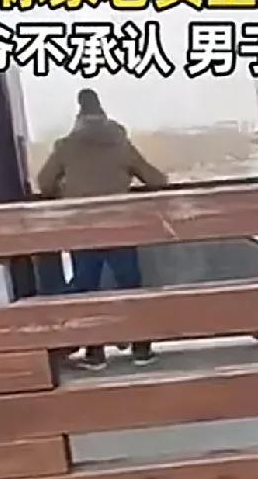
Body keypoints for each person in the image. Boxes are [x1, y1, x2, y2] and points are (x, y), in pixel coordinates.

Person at [37, 89, 168, 368]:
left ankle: (95, 353)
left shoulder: (66, 147)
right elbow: (156, 180)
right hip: (120, 226)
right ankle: (141, 349)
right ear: (104, 114)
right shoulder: (120, 144)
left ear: (79, 114)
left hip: (83, 228)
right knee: (130, 287)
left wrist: (67, 192)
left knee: (88, 290)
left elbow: (44, 183)